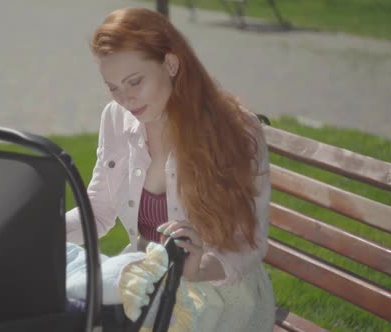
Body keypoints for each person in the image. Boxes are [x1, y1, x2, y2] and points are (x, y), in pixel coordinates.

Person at [66, 7, 275, 331]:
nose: (125, 99)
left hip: (217, 292)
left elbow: (249, 244)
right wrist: (40, 232)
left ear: (171, 64)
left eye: (134, 81)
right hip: (150, 281)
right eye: (113, 87)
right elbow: (100, 210)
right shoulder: (116, 118)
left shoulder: (235, 130)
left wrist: (197, 267)